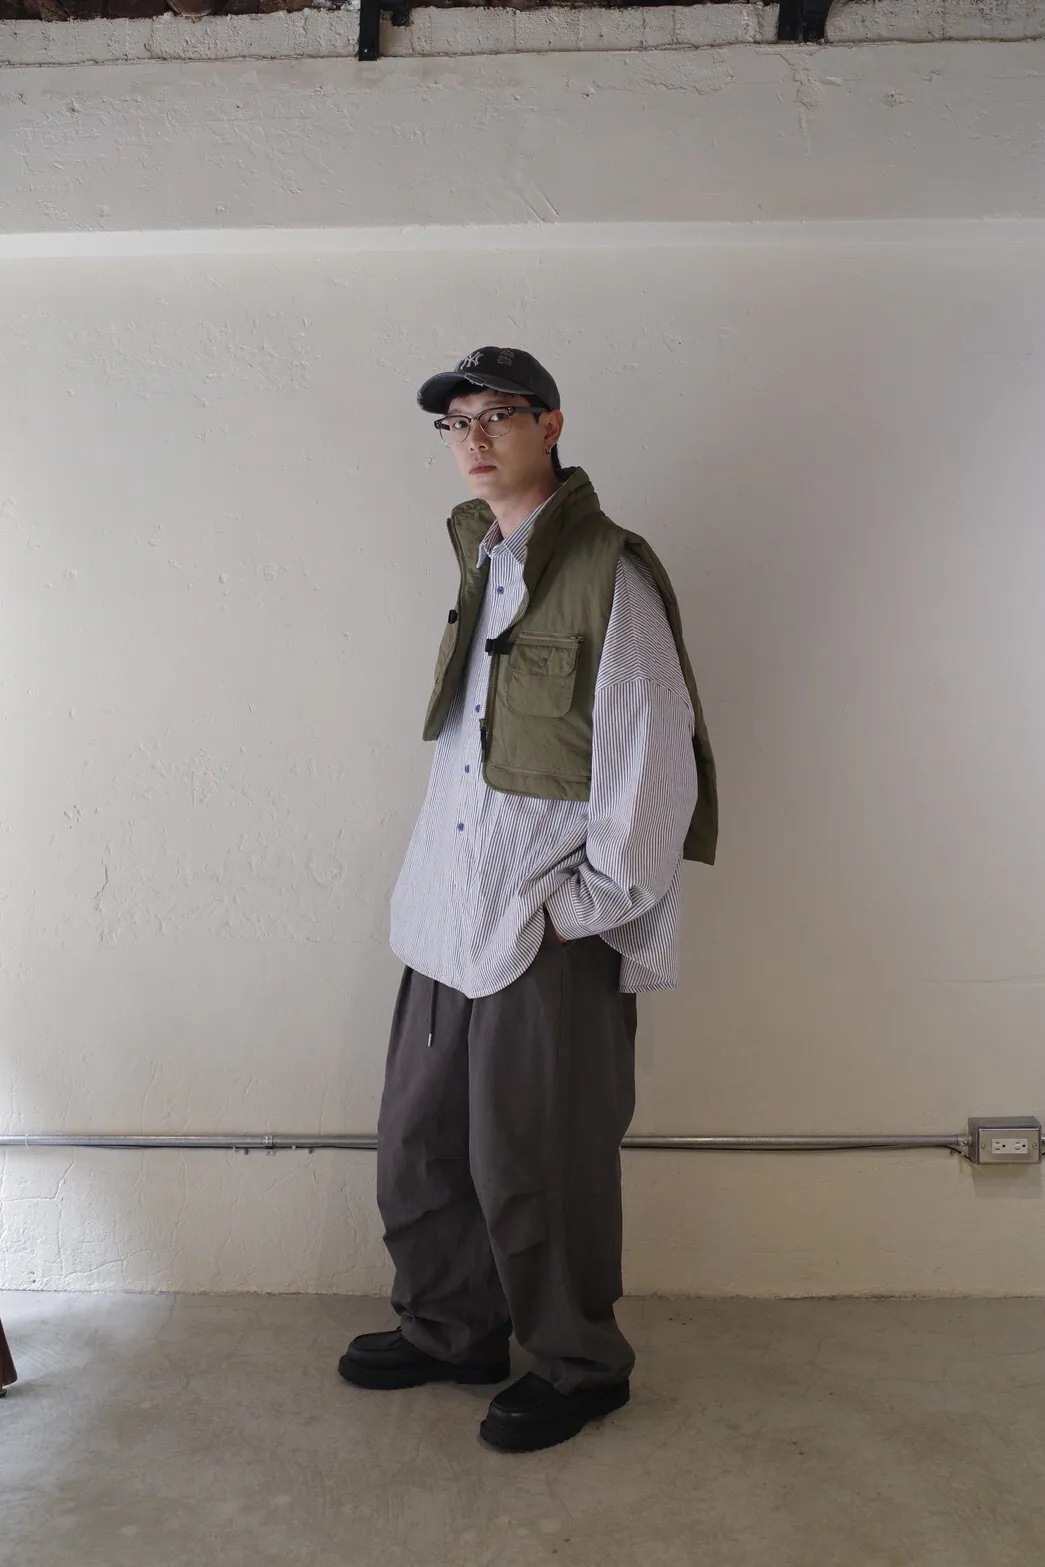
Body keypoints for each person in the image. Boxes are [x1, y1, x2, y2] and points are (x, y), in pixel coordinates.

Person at [338, 347, 717, 1453]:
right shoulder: (480, 559)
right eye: (454, 421)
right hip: (445, 917)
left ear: (550, 424)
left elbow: (655, 770)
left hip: (541, 927)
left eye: (496, 415)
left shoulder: (609, 573)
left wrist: (574, 912)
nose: (472, 437)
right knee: (420, 1147)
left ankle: (579, 1363)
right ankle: (452, 1329)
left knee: (539, 1165)